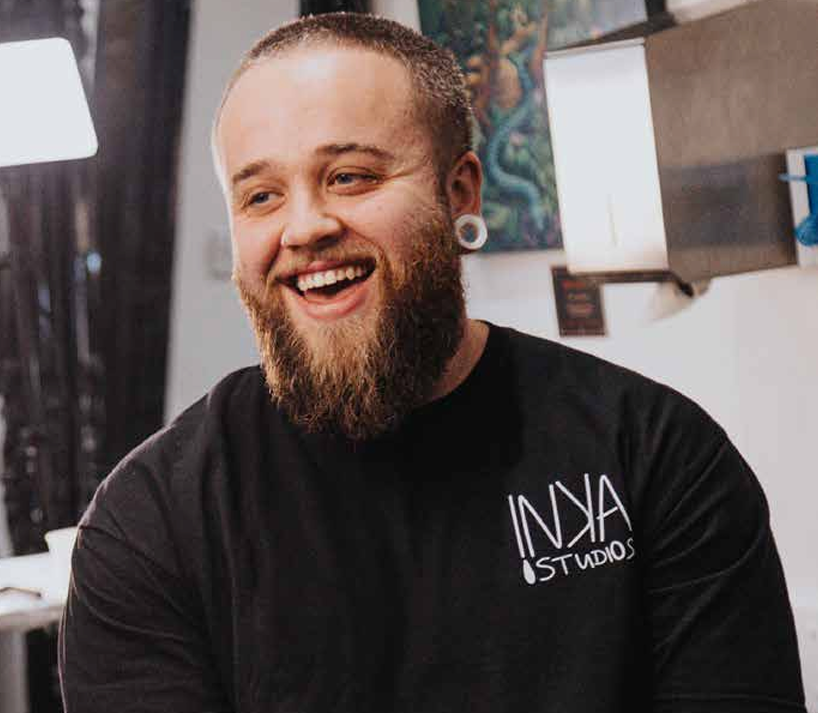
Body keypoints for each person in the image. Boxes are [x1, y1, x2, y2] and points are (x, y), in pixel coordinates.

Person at [59, 12, 807, 713]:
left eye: (350, 176)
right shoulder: (150, 528)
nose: (305, 227)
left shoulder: (655, 458)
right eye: (260, 196)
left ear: (460, 192)